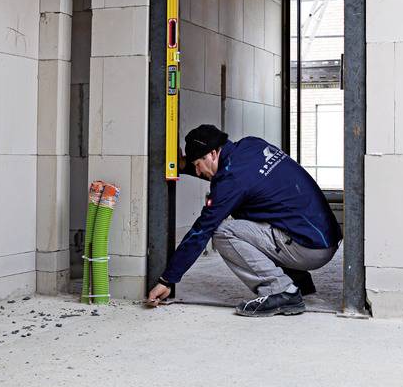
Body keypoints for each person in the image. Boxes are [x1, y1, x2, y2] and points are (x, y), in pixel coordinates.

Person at [146, 124, 342, 317]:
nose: (197, 172)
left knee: (222, 232)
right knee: (248, 210)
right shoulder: (251, 145)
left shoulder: (232, 181)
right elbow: (235, 179)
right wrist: (183, 166)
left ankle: (280, 291)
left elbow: (201, 231)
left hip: (309, 249)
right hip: (323, 236)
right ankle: (298, 281)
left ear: (213, 154)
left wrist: (167, 279)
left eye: (197, 165)